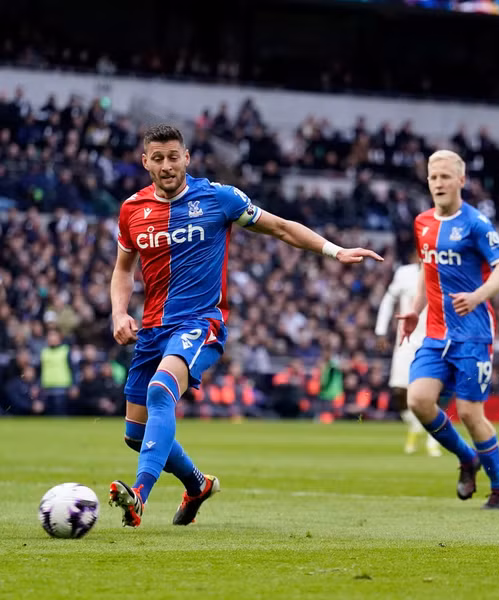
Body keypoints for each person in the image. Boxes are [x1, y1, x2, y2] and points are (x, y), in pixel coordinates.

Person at [108, 124, 382, 528]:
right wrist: (118, 311)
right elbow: (122, 270)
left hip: (201, 322)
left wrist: (334, 250)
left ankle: (140, 498)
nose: (166, 166)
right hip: (151, 330)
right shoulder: (132, 209)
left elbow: (282, 227)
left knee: (161, 390)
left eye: (173, 157)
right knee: (135, 434)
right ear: (145, 161)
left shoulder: (219, 197)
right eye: (158, 158)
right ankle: (198, 484)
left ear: (186, 158)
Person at [396, 149, 499, 509]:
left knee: (468, 413)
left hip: (473, 334)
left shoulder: (476, 223)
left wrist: (478, 296)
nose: (438, 183)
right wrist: (415, 310)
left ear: (461, 181)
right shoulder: (422, 223)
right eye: (433, 177)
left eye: (445, 176)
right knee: (418, 401)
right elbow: (426, 271)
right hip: (434, 332)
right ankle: (467, 458)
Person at [375, 246, 442, 456]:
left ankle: (433, 439)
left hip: (433, 339)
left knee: (431, 392)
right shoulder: (403, 274)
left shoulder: (443, 275)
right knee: (398, 390)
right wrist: (381, 331)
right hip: (405, 339)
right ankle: (415, 425)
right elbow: (388, 300)